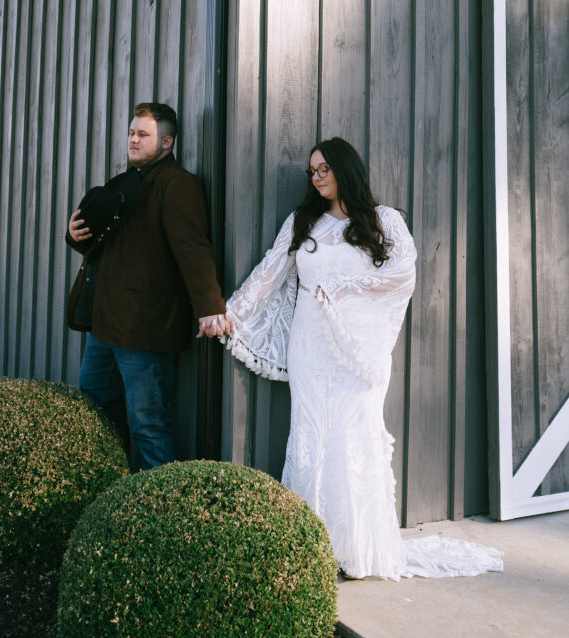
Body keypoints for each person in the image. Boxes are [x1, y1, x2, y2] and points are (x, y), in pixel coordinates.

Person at [207, 137, 502, 580]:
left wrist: (344, 288)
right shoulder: (302, 221)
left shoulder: (384, 220)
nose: (317, 177)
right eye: (312, 171)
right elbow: (268, 274)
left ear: (346, 168)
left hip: (361, 349)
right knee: (311, 432)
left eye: (324, 168)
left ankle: (358, 549)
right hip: (310, 344)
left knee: (356, 430)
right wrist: (229, 313)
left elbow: (403, 273)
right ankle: (309, 545)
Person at [66, 102, 229, 470]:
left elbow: (193, 248)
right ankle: (107, 500)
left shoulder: (178, 185)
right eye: (131, 132)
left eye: (143, 134)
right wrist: (75, 236)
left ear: (167, 142)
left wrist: (209, 307)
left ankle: (160, 516)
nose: (133, 140)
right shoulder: (124, 185)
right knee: (93, 415)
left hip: (144, 331)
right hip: (103, 325)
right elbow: (104, 242)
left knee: (149, 426)